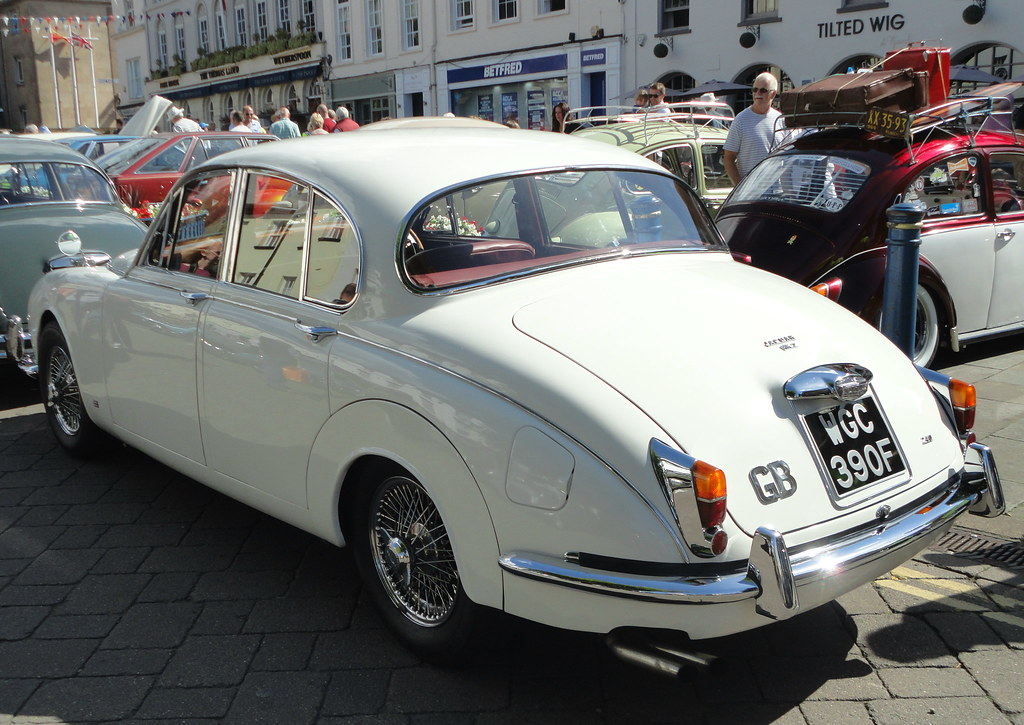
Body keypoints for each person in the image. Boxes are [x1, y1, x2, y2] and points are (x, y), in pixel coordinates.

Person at [723, 72, 783, 185]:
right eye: (755, 90)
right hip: (750, 193)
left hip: (777, 193)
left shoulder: (780, 120)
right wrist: (739, 187)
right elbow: (728, 158)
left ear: (773, 94)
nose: (757, 93)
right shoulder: (741, 120)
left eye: (763, 90)